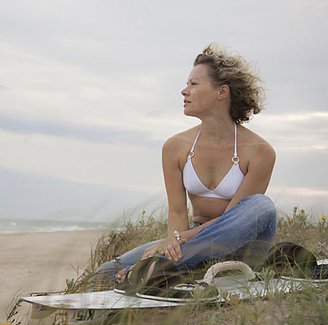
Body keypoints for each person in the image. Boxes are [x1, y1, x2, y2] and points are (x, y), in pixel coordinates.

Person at [97, 43, 277, 285]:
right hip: (190, 243)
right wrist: (173, 240)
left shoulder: (260, 151)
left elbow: (233, 218)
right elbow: (178, 211)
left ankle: (162, 268)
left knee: (262, 206)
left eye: (193, 84)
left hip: (240, 243)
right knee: (106, 272)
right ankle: (171, 267)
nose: (184, 91)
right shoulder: (176, 147)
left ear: (221, 92)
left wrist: (180, 240)